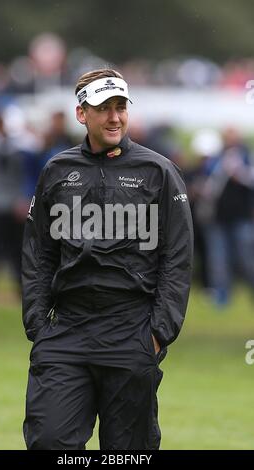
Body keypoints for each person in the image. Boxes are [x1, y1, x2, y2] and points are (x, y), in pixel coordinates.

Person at [22, 68, 194, 450]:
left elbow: (177, 259)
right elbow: (39, 254)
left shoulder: (159, 171)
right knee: (49, 440)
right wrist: (38, 325)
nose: (115, 117)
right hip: (66, 330)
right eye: (104, 108)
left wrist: (157, 333)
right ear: (82, 113)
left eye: (121, 107)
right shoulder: (57, 171)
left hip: (131, 330)